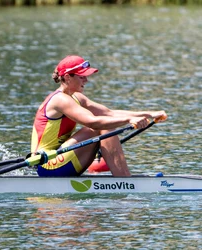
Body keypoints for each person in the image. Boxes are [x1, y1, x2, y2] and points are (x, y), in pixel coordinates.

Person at [31, 55, 167, 177]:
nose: (86, 80)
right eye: (81, 76)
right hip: (47, 164)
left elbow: (109, 113)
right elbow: (93, 123)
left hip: (59, 160)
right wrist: (129, 120)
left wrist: (149, 114)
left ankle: (123, 178)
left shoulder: (76, 97)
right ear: (67, 77)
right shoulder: (60, 100)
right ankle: (124, 180)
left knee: (107, 121)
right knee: (104, 127)